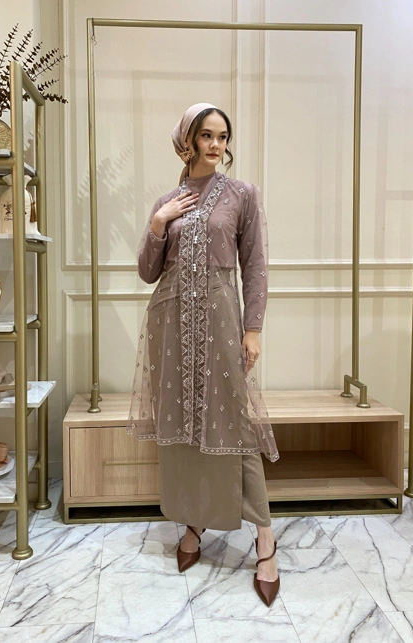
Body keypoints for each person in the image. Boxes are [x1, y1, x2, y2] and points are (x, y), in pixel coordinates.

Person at [128, 102, 280, 607]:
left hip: (219, 321)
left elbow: (254, 266)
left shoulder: (242, 195)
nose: (216, 145)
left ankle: (264, 538)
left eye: (222, 136)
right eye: (206, 135)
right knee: (184, 423)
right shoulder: (169, 201)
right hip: (170, 322)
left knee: (234, 424)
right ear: (187, 141)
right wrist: (157, 222)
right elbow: (148, 272)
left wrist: (252, 329)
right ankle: (193, 522)